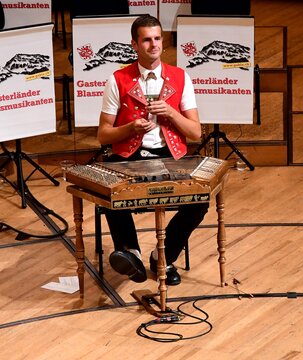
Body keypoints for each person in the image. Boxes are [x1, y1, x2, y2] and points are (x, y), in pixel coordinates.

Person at [97, 15, 208, 286]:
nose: (153, 44)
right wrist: (130, 129)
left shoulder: (181, 77)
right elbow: (103, 135)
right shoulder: (118, 79)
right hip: (129, 155)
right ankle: (130, 253)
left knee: (200, 202)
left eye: (157, 38)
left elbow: (195, 132)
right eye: (146, 39)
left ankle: (164, 258)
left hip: (169, 156)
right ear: (134, 44)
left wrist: (171, 112)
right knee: (111, 192)